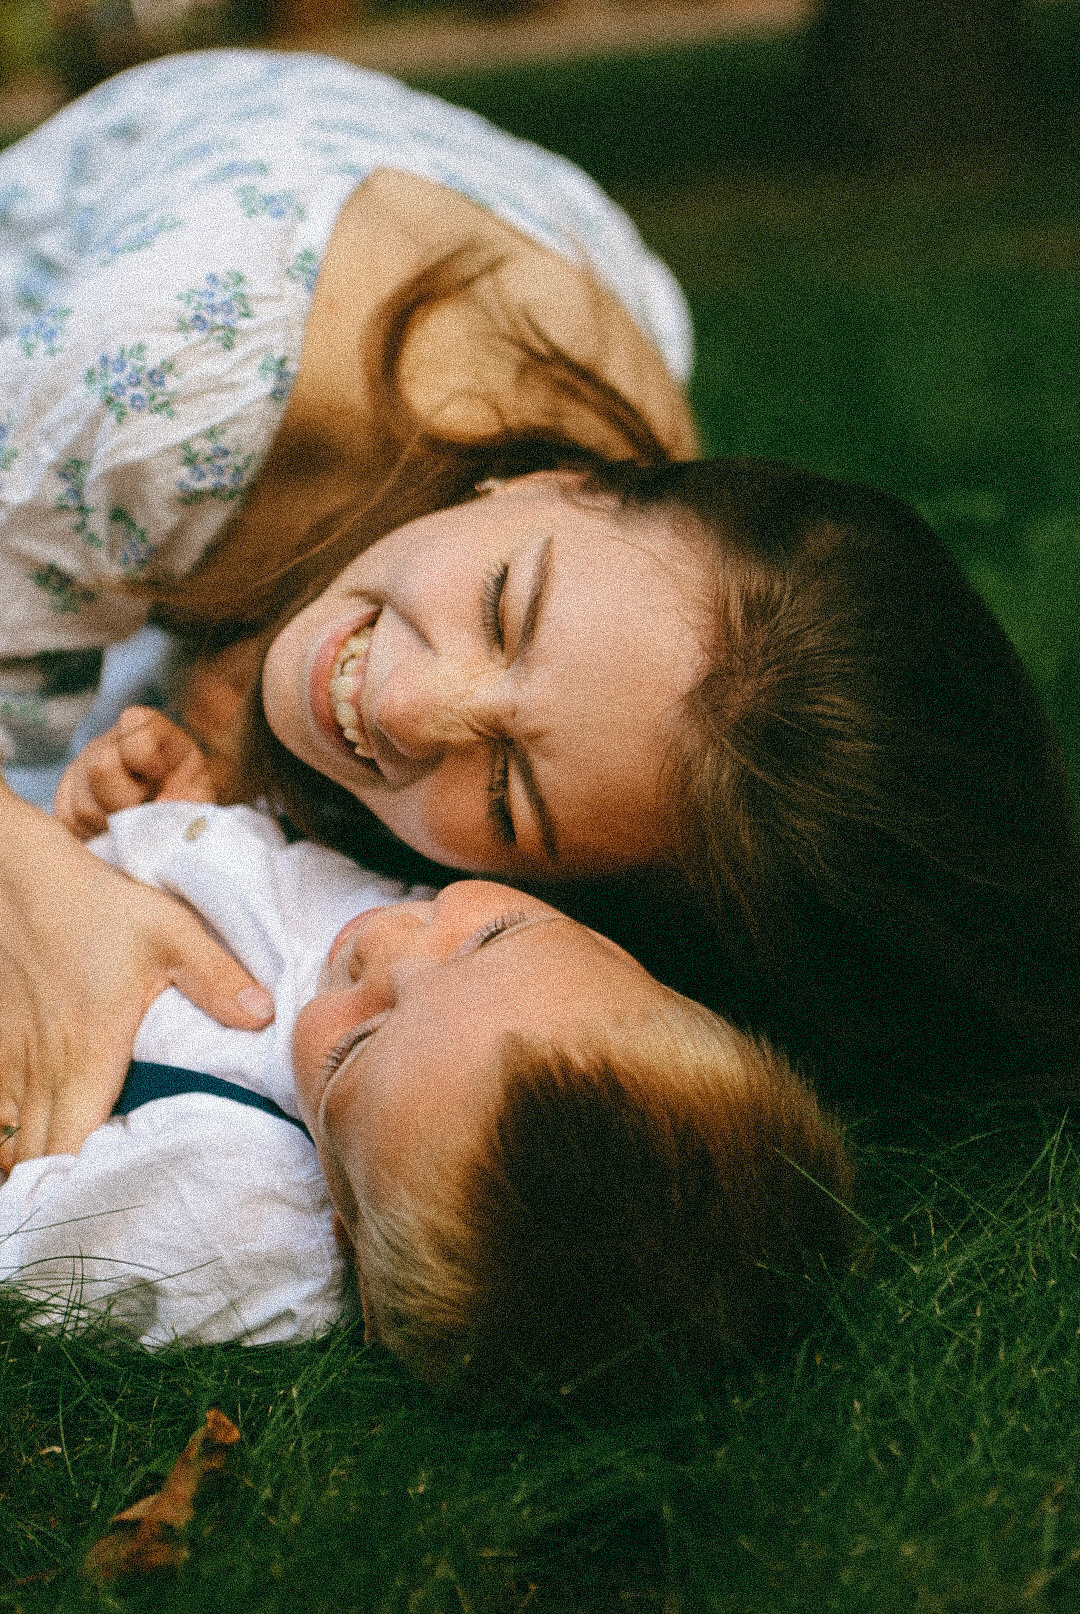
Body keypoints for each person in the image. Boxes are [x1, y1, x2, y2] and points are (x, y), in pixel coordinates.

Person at [1, 50, 1078, 1170]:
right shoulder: (168, 378)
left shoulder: (627, 599)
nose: (407, 704)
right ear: (548, 479)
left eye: (509, 795)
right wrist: (51, 887)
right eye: (505, 608)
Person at [1, 788, 854, 1396]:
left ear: (349, 1236)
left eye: (358, 1049)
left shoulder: (243, 1218)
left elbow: (30, 1248)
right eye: (494, 934)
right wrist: (175, 805)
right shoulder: (442, 904)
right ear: (625, 954)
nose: (388, 945)